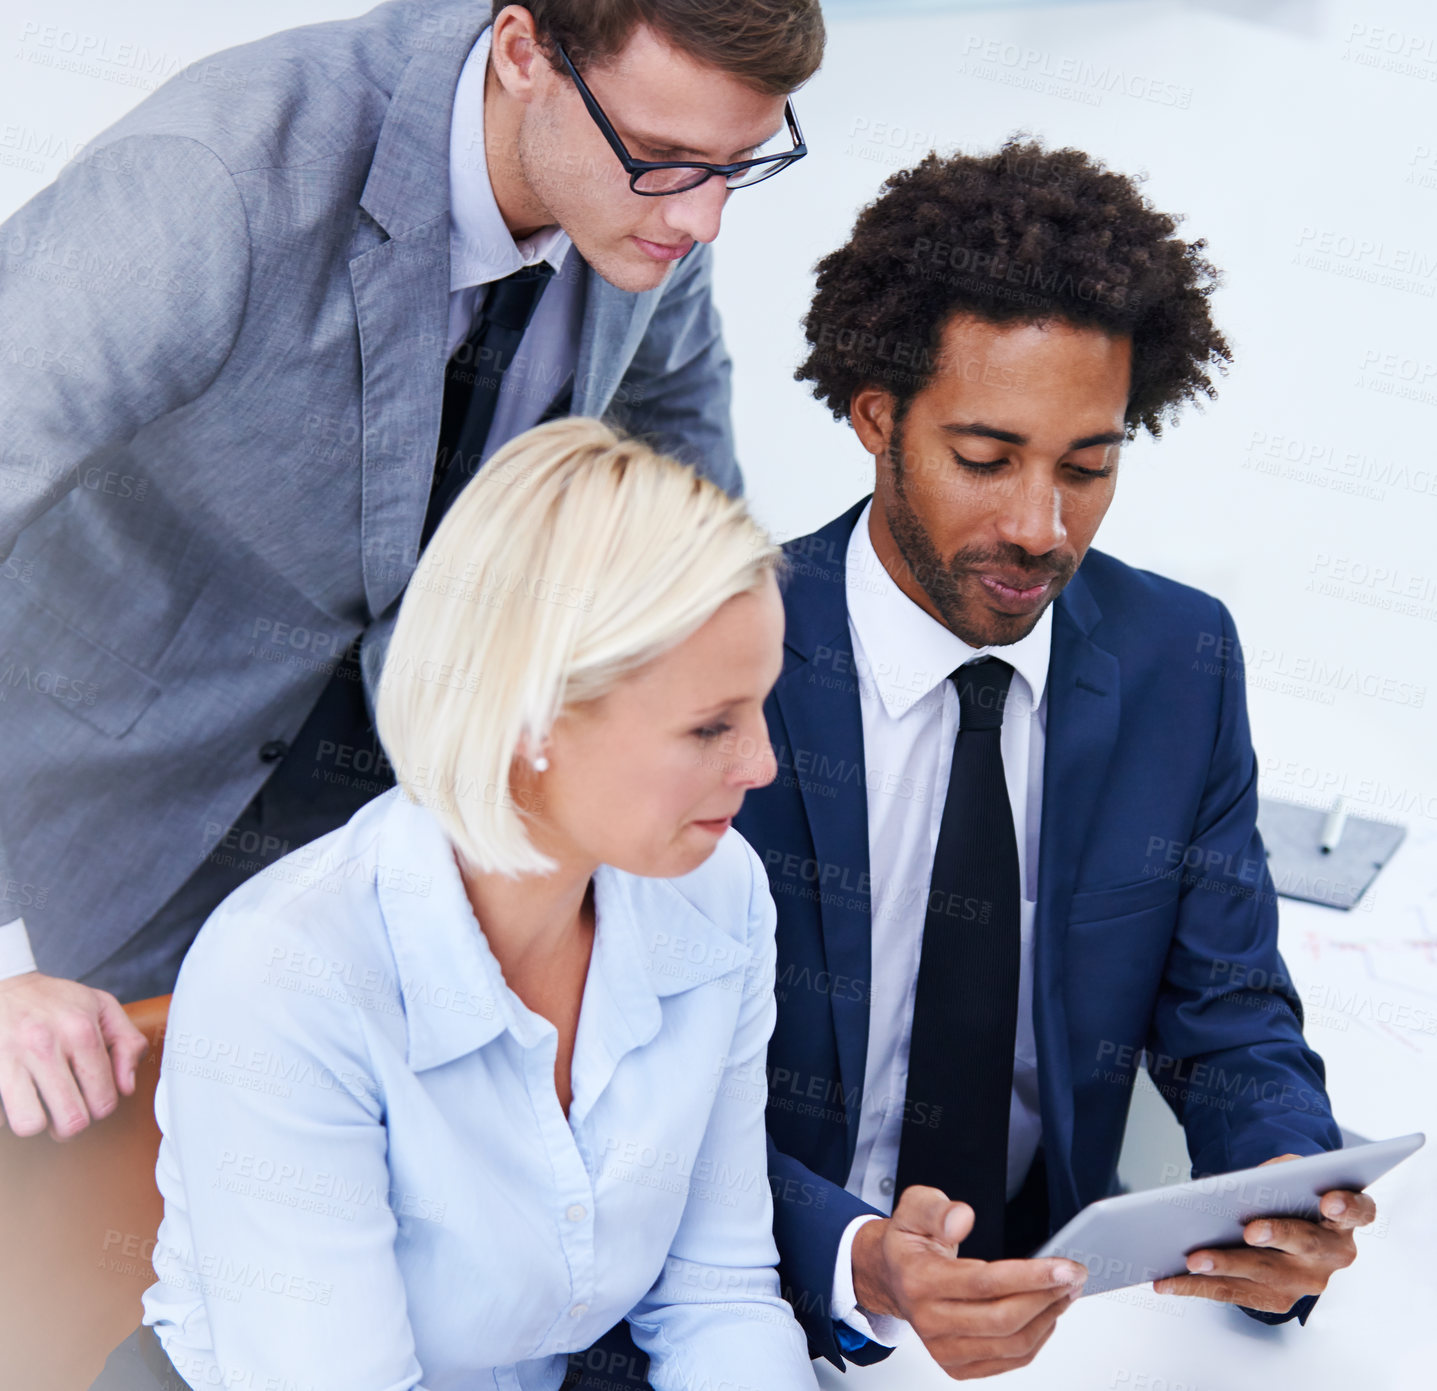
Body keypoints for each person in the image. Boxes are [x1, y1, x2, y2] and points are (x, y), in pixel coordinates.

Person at [568, 139, 1376, 1389]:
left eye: (1090, 467)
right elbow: (631, 1107)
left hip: (1055, 1322)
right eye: (987, 459)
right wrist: (857, 1257)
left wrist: (1282, 1195)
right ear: (876, 417)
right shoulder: (715, 665)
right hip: (750, 1307)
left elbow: (1230, 1019)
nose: (1039, 529)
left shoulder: (1178, 658)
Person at [0, 0, 823, 1139]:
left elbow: (681, 468)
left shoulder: (638, 204)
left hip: (388, 840)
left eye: (740, 165)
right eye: (671, 162)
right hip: (82, 841)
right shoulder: (214, 178)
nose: (705, 217)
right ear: (526, 52)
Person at [89, 418, 819, 1391]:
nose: (762, 763)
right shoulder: (285, 971)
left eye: (760, 706)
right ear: (533, 719)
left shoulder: (719, 894)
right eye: (710, 726)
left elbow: (718, 1293)